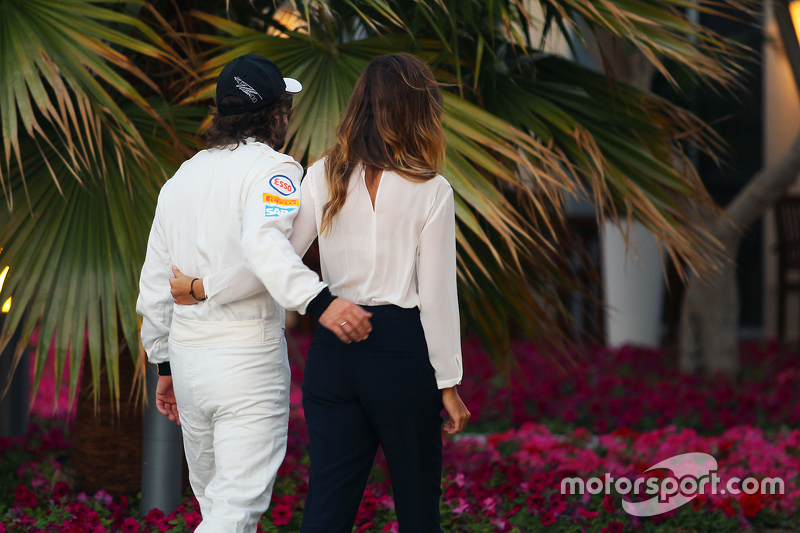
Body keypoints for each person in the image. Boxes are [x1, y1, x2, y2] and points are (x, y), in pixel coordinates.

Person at [172, 52, 470, 532]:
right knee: (418, 506)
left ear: (358, 108)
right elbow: (436, 297)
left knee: (328, 508)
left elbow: (274, 258)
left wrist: (204, 287)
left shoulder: (321, 175)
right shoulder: (431, 189)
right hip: (399, 349)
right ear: (419, 111)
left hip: (334, 350)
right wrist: (448, 384)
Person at [135, 53, 372, 533]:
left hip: (187, 359)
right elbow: (261, 252)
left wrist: (163, 364)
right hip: (245, 358)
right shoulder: (277, 170)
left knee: (216, 508)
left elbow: (155, 282)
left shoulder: (181, 177)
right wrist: (315, 300)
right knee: (233, 512)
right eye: (286, 107)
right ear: (275, 114)